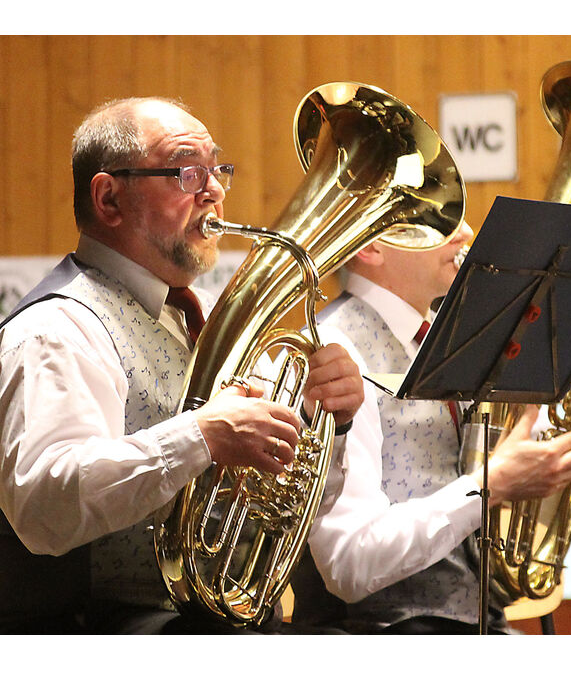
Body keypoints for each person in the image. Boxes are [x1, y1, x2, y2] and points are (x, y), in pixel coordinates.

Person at [0, 97, 364, 634]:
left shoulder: (210, 318)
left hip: (230, 626)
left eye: (217, 170)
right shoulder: (56, 329)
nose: (214, 190)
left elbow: (293, 511)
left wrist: (322, 421)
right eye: (187, 172)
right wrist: (201, 436)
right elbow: (44, 505)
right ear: (109, 198)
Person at [291, 218, 571, 634]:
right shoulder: (332, 353)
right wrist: (489, 486)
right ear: (372, 247)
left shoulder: (467, 339)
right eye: (437, 221)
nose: (466, 233)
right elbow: (348, 564)